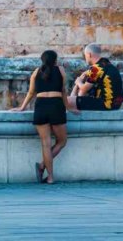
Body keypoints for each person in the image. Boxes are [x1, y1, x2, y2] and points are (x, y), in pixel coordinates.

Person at [11, 50, 78, 184]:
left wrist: (22, 107)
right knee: (62, 141)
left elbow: (31, 93)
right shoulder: (60, 70)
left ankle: (50, 176)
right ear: (55, 59)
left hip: (41, 106)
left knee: (45, 144)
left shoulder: (36, 72)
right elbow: (63, 91)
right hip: (56, 106)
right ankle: (43, 168)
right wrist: (68, 107)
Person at [69, 44, 123, 111]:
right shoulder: (107, 64)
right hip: (115, 105)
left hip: (106, 104)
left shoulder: (96, 68)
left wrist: (78, 81)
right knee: (75, 99)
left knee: (67, 101)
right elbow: (81, 93)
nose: (85, 58)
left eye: (85, 55)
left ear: (89, 54)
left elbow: (84, 88)